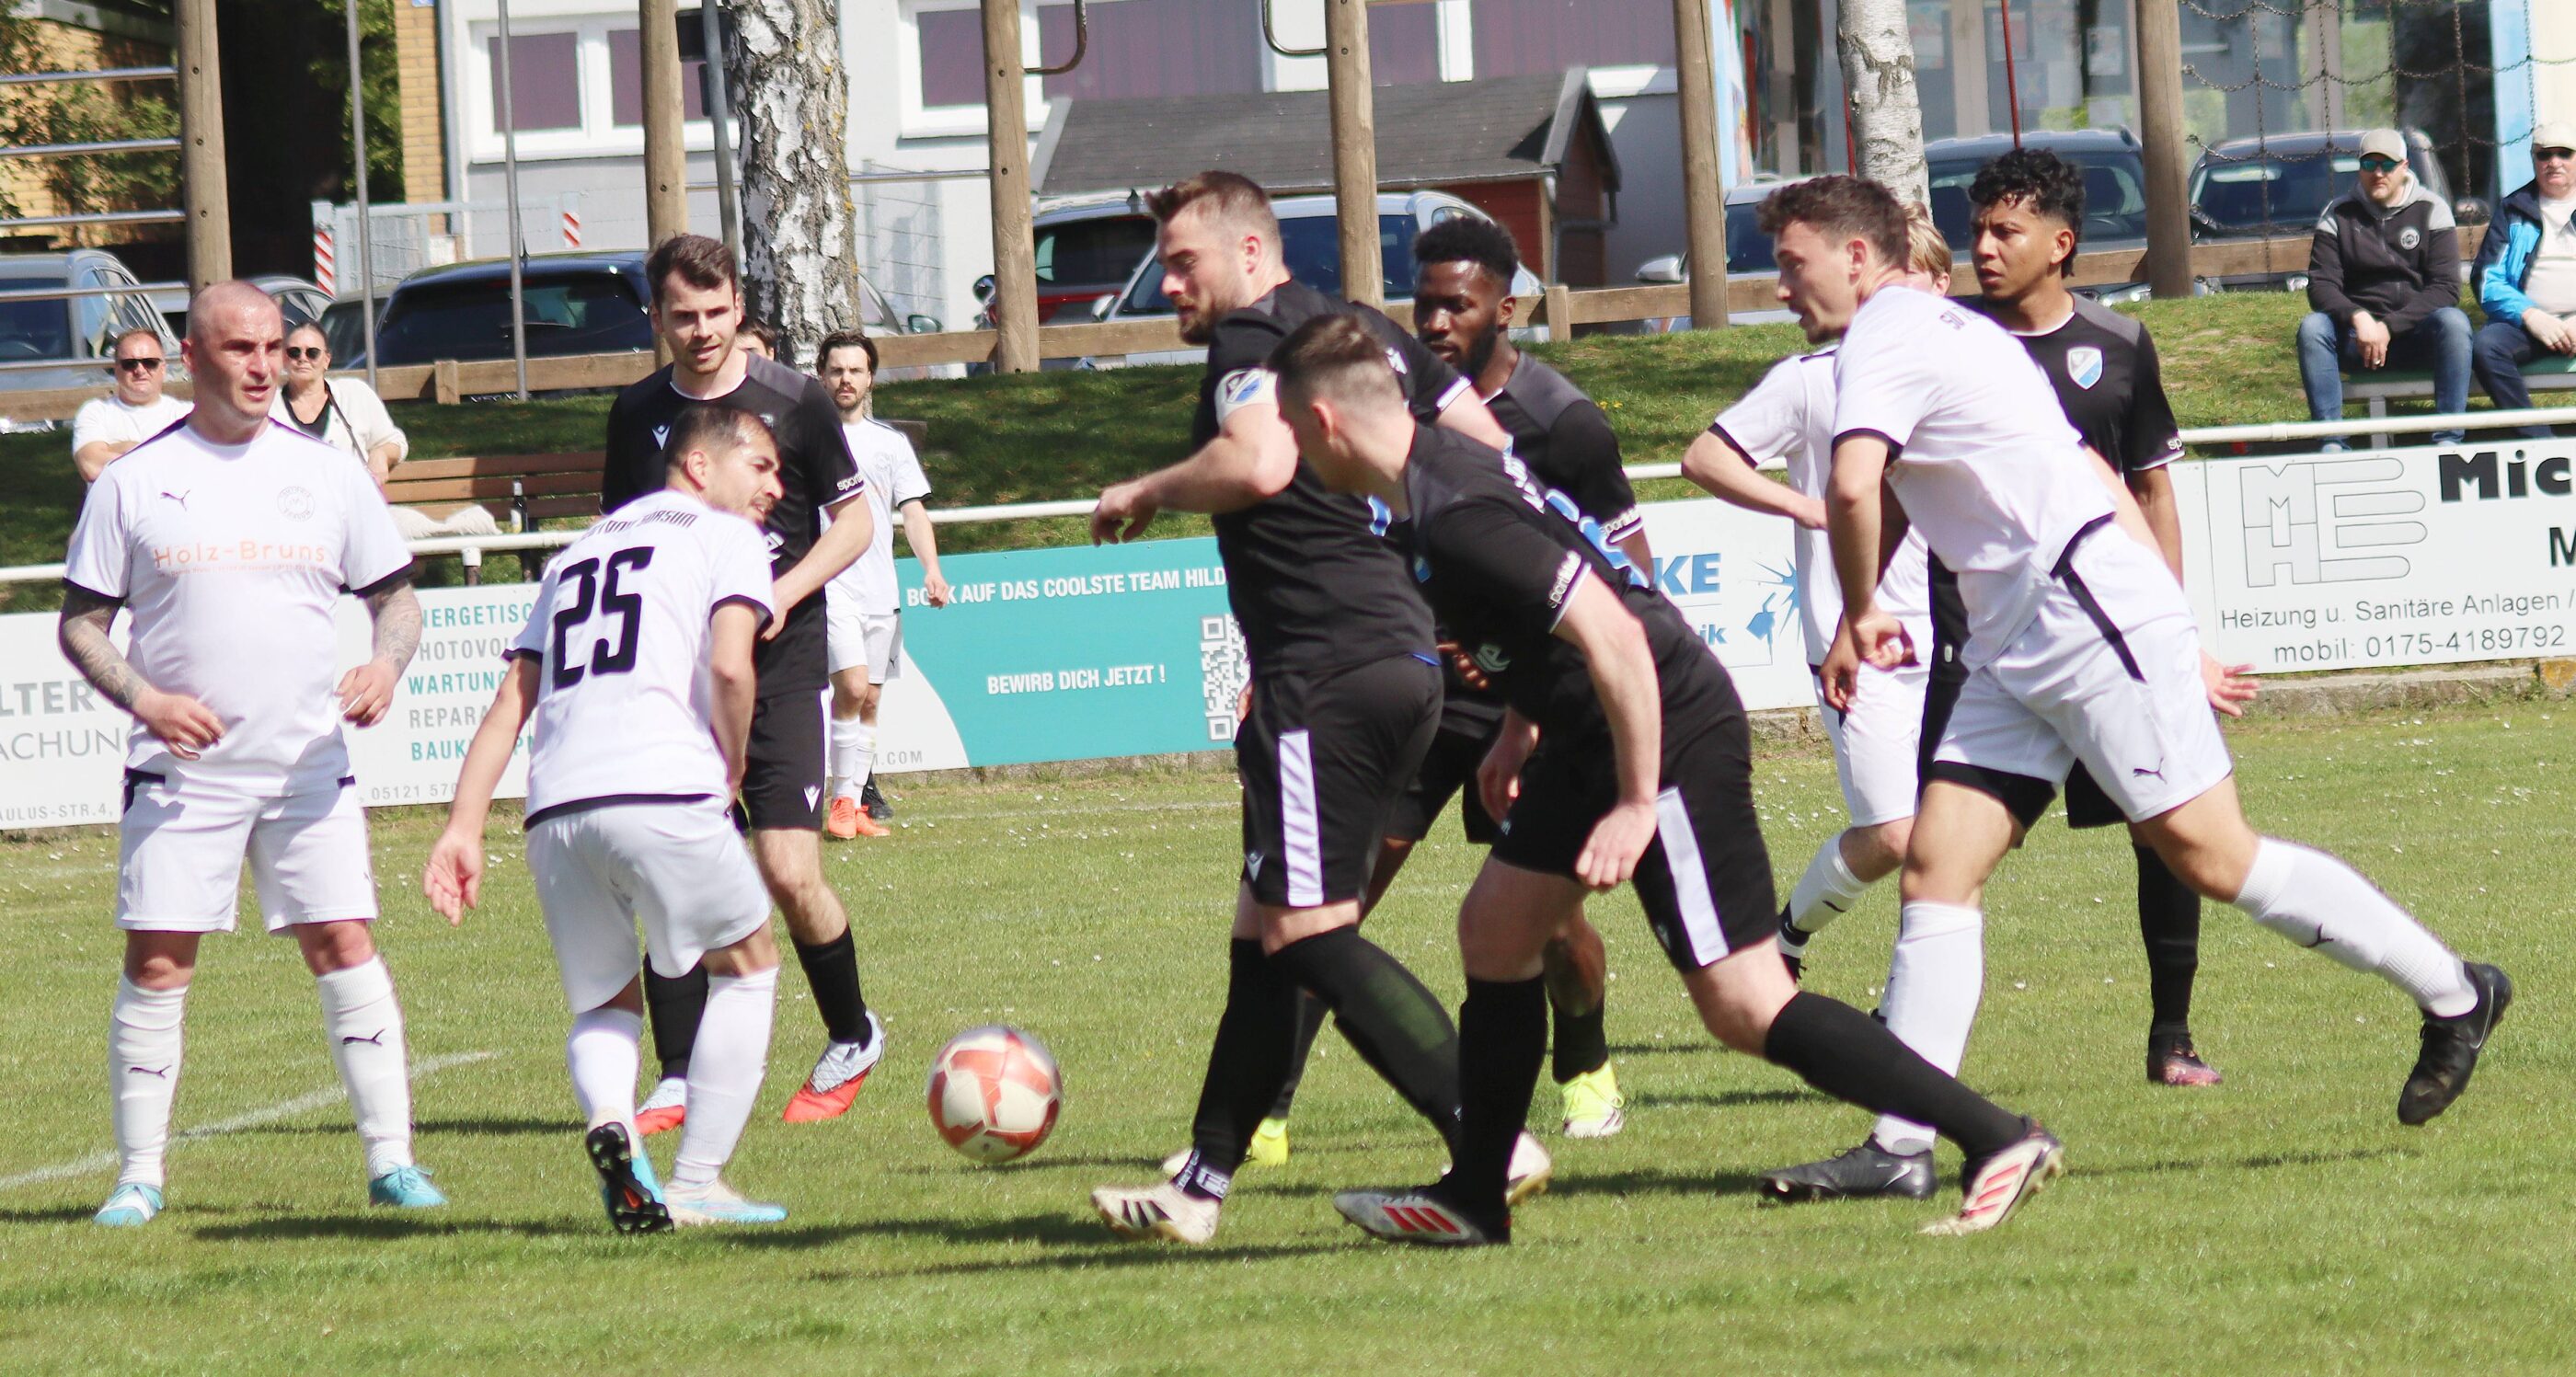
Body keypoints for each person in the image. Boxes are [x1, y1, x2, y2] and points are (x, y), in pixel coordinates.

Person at [1269, 314, 2064, 1245]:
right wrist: (1519, 729)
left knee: (1745, 1002)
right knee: (1495, 929)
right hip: (1588, 730)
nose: (1287, 451)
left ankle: (1997, 1137)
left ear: (1324, 422)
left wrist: (1638, 801)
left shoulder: (1455, 509)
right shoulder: (1435, 479)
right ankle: (1476, 1197)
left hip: (1664, 726)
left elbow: (1616, 635)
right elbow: (1546, 619)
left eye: (1288, 428)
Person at [1788, 176, 2509, 1142]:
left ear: (1853, 257)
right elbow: (2031, 473)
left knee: (2211, 855)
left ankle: (2455, 991)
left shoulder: (1890, 330)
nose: (1781, 287)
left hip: (2079, 612)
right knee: (1937, 868)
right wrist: (1858, 615)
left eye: (1791, 264)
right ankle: (1901, 1143)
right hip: (2017, 635)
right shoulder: (1954, 331)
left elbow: (1853, 486)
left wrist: (1863, 608)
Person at [1084, 171, 1541, 1245]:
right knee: (1265, 933)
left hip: (1322, 667)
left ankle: (1490, 1134)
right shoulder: (1362, 332)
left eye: (1183, 263)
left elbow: (1257, 463)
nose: (1168, 286)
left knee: (1303, 932)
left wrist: (1147, 489)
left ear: (1251, 253)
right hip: (1398, 654)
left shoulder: (1252, 340)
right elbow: (1485, 444)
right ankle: (1199, 1185)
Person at [1250, 215, 1645, 1161]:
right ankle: (1265, 1106)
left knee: (1550, 924)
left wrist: (1527, 682)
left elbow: (1625, 568)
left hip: (1527, 701)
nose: (1433, 322)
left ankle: (1585, 1066)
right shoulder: (1377, 406)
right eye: (1422, 303)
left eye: (1456, 305)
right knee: (1333, 901)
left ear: (1505, 309)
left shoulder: (1561, 422)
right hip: (1416, 691)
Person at [59, 281, 442, 1227]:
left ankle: (393, 1163)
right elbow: (80, 624)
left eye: (275, 346)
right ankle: (138, 1177)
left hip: (308, 765)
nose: (264, 366)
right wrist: (148, 700)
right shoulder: (133, 480)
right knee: (158, 961)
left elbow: (396, 600)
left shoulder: (329, 473)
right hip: (182, 774)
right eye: (241, 349)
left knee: (344, 941)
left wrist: (385, 664)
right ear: (193, 358)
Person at [427, 402, 792, 1230]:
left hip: (556, 808)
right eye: (761, 465)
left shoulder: (575, 553)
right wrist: (732, 763)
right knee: (749, 963)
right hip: (661, 784)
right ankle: (697, 1181)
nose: (775, 485)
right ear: (700, 466)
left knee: (605, 1000)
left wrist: (462, 827)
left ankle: (612, 1121)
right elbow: (731, 667)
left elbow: (511, 701)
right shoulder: (726, 537)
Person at [600, 234, 887, 1139]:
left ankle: (852, 1035)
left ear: (739, 309)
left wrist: (783, 592)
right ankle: (677, 1076)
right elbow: (625, 537)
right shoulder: (636, 413)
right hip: (682, 674)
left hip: (783, 662)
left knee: (787, 870)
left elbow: (854, 523)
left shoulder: (795, 400)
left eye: (716, 312)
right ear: (656, 317)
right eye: (682, 315)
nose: (701, 330)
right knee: (676, 873)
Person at [1679, 204, 1950, 1031]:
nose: (1915, 296)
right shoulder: (1812, 379)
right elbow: (1705, 457)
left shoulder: (1958, 367)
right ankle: (1785, 937)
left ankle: (1905, 1014)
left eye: (1928, 279)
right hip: (1856, 642)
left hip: (1958, 635)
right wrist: (1807, 506)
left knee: (1947, 839)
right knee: (1894, 833)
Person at [815, 329, 950, 840]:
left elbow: (912, 512)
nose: (845, 379)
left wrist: (931, 569)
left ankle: (854, 805)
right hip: (831, 586)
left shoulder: (890, 444)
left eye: (855, 370)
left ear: (870, 378)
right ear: (821, 376)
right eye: (836, 370)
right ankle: (840, 801)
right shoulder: (806, 439)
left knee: (870, 700)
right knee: (850, 688)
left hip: (880, 590)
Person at [2294, 128, 2470, 450]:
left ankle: (2448, 440)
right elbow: (2321, 285)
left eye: (2387, 165)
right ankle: (2332, 443)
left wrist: (2389, 326)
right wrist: (2359, 317)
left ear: (2404, 167)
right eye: (2369, 164)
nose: (2378, 173)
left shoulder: (2433, 209)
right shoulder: (2337, 214)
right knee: (2313, 328)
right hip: (2356, 341)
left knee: (2454, 323)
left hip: (2417, 337)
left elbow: (2446, 288)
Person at [271, 321, 499, 540]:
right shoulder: (270, 408)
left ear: (326, 360)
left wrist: (381, 454)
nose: (302, 359)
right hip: (295, 517)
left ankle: (467, 530)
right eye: (294, 352)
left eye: (312, 353)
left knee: (410, 530)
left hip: (356, 514)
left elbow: (396, 442)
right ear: (284, 358)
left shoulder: (355, 394)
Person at [2470, 120, 2576, 439]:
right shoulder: (2513, 209)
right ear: (2534, 159)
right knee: (2486, 347)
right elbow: (2487, 279)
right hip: (2528, 325)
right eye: (2545, 155)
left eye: (2564, 154)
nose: (2554, 162)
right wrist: (2529, 315)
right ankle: (2540, 443)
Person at [72, 327, 189, 482]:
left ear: (163, 369)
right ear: (116, 370)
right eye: (129, 364)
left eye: (150, 363)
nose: (140, 370)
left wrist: (122, 448)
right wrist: (165, 454)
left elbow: (195, 467)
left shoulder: (186, 414)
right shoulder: (95, 412)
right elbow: (92, 467)